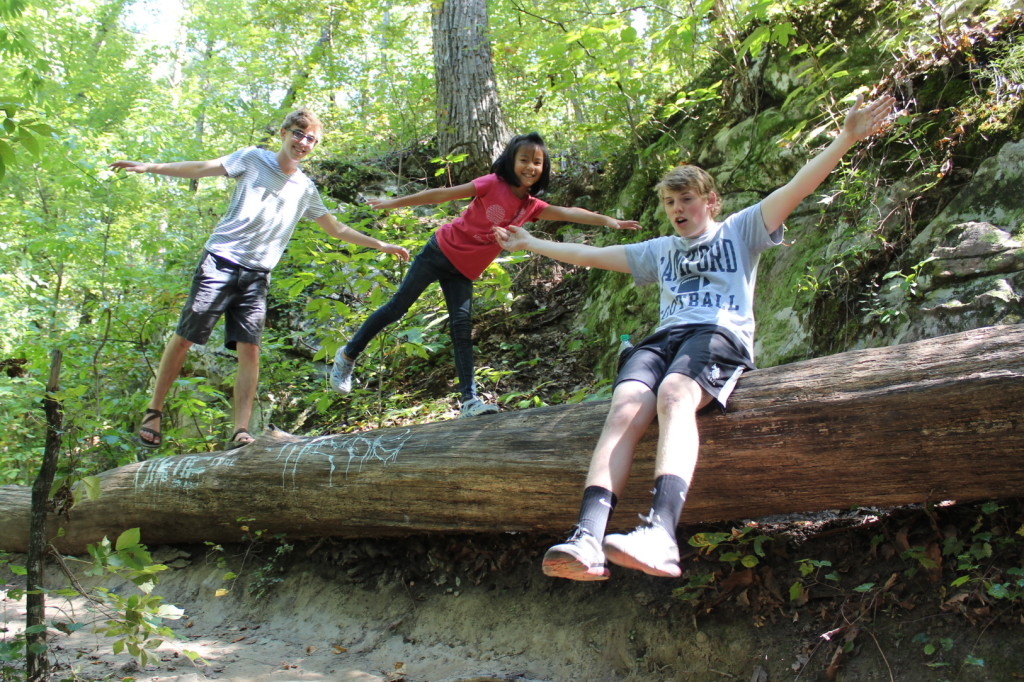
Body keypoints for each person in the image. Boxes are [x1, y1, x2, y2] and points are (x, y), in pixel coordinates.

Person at [494, 93, 895, 580]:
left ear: (710, 201)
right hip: (664, 339)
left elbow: (797, 187)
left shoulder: (741, 230)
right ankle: (587, 538)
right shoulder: (660, 250)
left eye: (686, 199)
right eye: (669, 202)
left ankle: (660, 534)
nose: (677, 208)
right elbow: (592, 256)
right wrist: (531, 242)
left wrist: (846, 137)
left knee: (675, 393)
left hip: (718, 333)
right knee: (624, 406)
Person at [111, 109, 410, 450]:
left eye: (311, 139)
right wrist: (150, 167)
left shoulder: (305, 188)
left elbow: (334, 227)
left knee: (250, 350)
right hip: (220, 261)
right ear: (284, 132)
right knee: (185, 338)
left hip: (257, 276)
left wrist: (381, 244)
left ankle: (240, 429)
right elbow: (201, 167)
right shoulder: (252, 159)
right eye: (298, 134)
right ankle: (154, 410)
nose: (303, 143)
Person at [329, 132, 640, 417]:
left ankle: (468, 401)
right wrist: (394, 203)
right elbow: (442, 194)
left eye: (537, 162)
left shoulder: (531, 205)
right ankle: (348, 355)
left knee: (462, 329)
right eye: (524, 160)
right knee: (398, 307)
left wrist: (610, 221)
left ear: (543, 169)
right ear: (510, 161)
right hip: (439, 251)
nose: (530, 167)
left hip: (464, 269)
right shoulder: (492, 183)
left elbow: (570, 212)